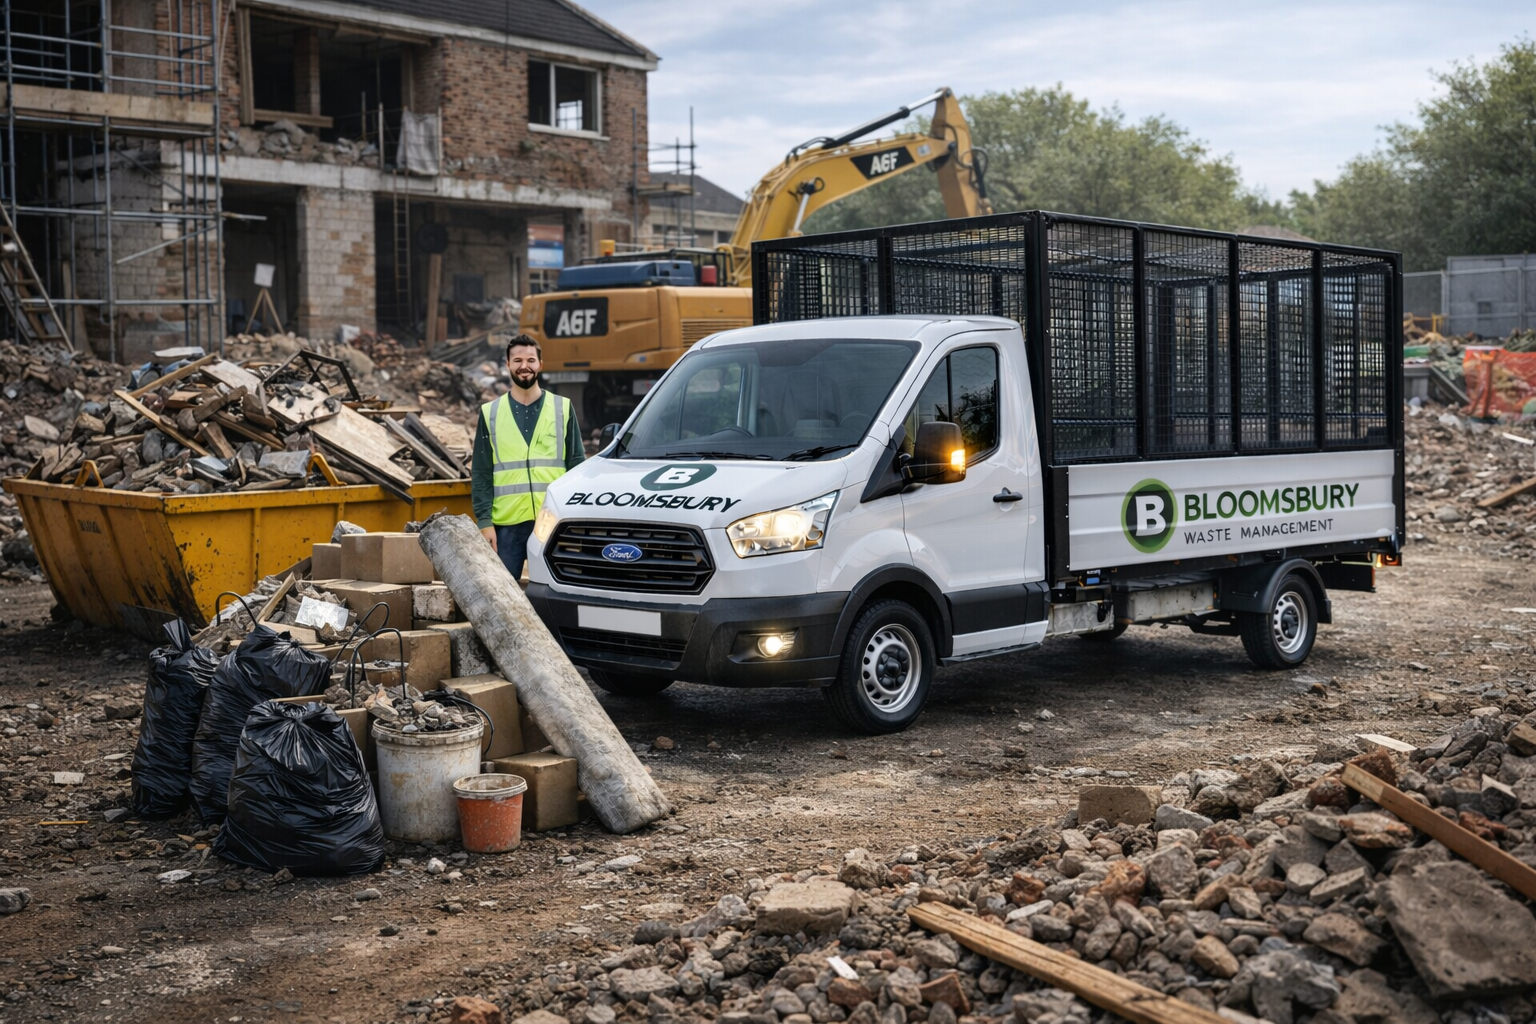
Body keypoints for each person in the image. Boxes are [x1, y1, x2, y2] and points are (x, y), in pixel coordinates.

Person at [471, 335, 584, 579]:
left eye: (531, 360)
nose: (525, 366)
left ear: (540, 364)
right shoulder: (490, 413)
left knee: (553, 594)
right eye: (518, 360)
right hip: (506, 528)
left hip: (553, 522)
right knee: (503, 596)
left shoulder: (563, 408)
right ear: (508, 365)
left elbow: (577, 466)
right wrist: (484, 521)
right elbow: (481, 472)